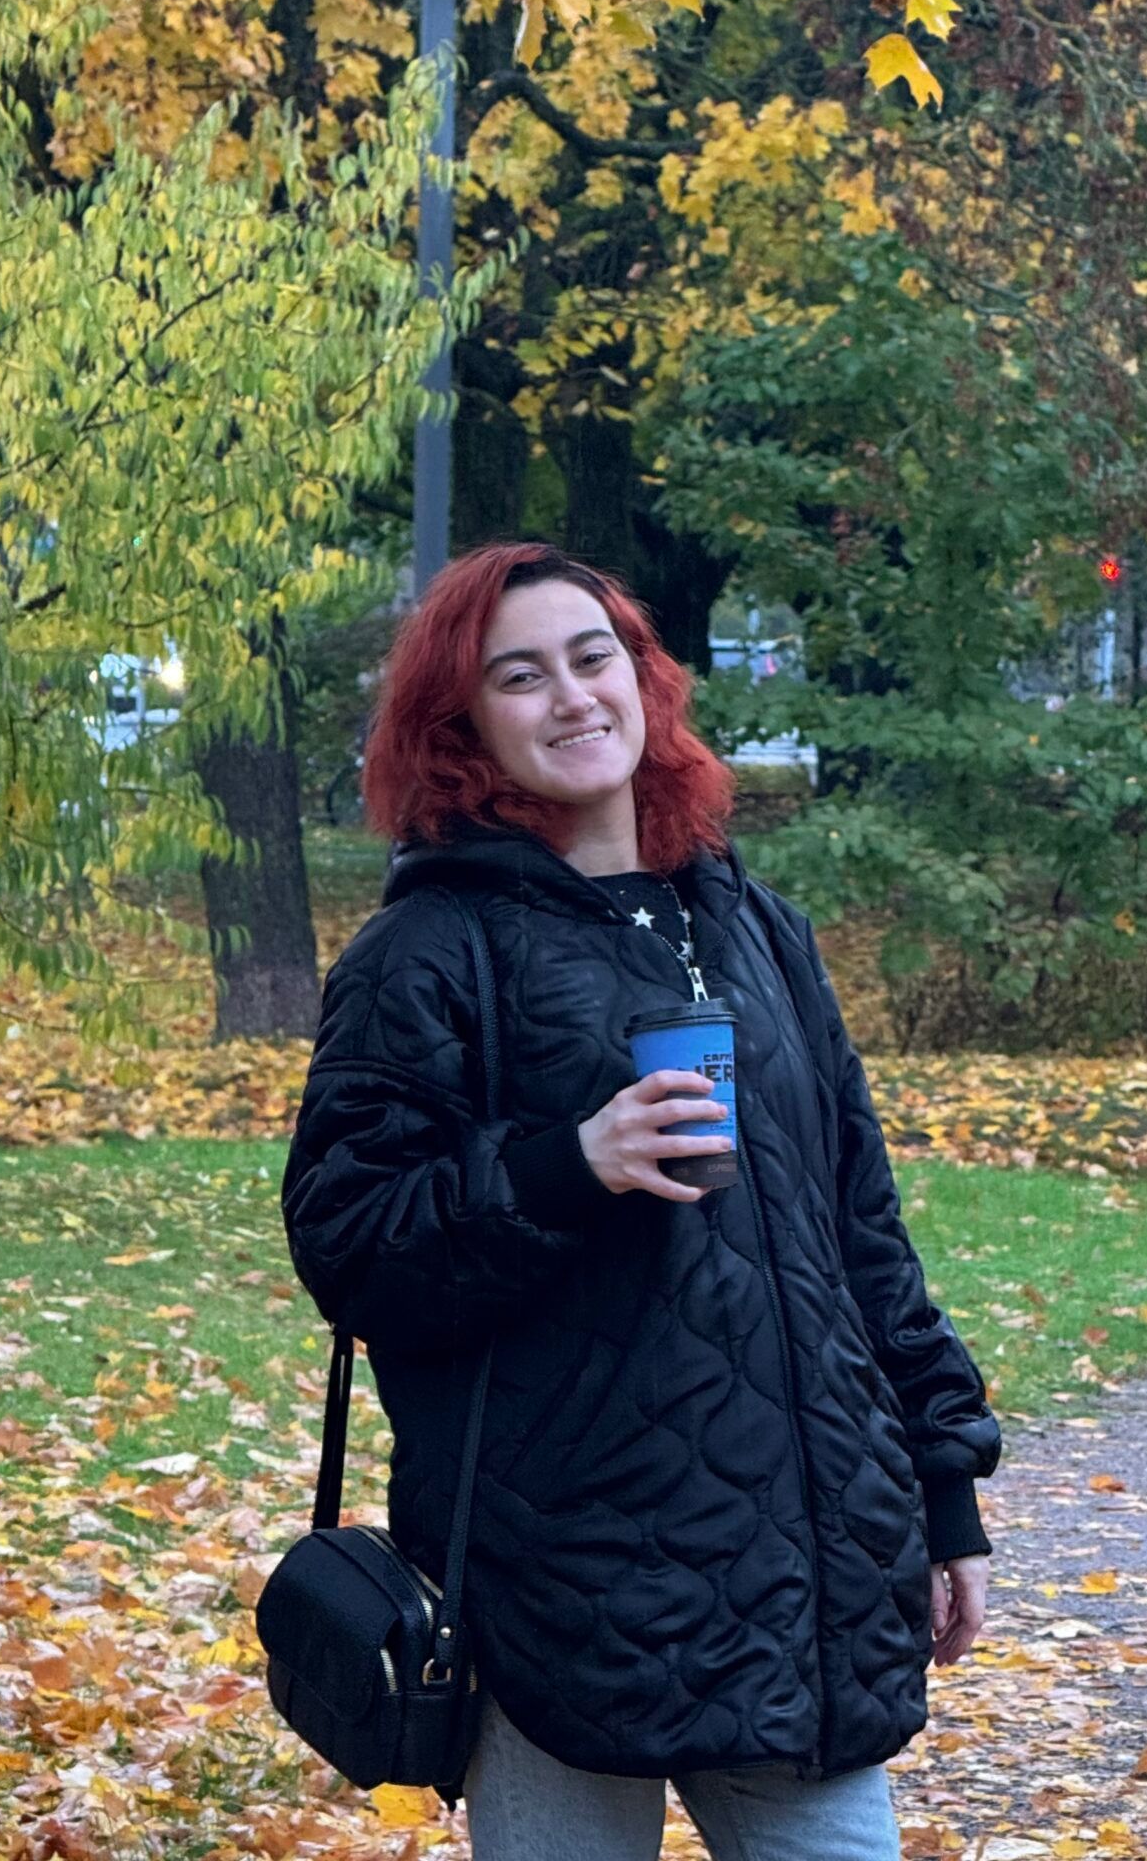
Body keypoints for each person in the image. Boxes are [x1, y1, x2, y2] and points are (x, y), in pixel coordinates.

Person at [281, 544, 999, 1861]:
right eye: (519, 677)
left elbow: (860, 1234)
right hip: (554, 1588)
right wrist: (569, 1164)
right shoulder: (428, 956)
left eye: (591, 657)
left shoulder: (752, 925)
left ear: (644, 681)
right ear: (465, 726)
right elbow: (351, 1245)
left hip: (792, 1582)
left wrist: (944, 1489)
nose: (569, 697)